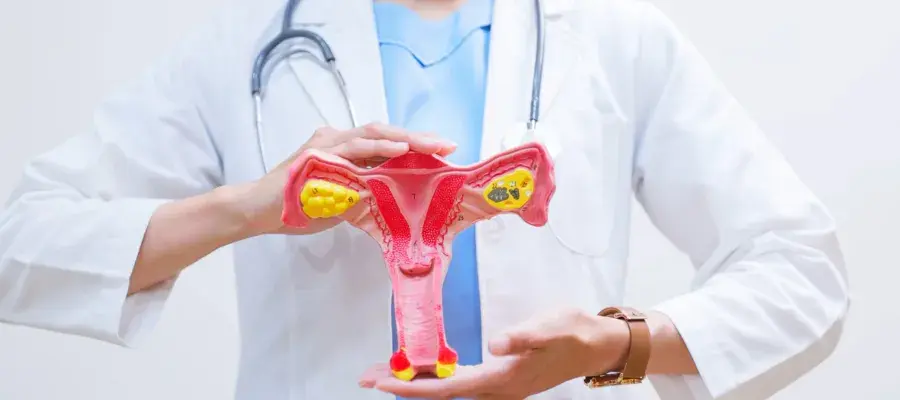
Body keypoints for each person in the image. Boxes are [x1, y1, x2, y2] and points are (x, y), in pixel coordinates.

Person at [0, 0, 849, 399]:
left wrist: (619, 345)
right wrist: (249, 207)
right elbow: (20, 244)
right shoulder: (243, 46)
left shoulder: (615, 38)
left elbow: (801, 274)